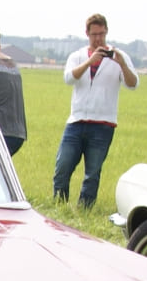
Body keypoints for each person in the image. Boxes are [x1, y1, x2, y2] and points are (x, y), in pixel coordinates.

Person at [53, 14, 139, 206]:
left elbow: (133, 84)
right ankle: (59, 205)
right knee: (63, 166)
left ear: (106, 32)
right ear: (87, 34)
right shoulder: (77, 56)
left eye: (101, 34)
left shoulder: (119, 57)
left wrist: (122, 65)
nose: (98, 39)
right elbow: (69, 78)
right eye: (94, 35)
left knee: (92, 173)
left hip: (103, 124)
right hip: (76, 121)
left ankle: (85, 209)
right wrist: (89, 62)